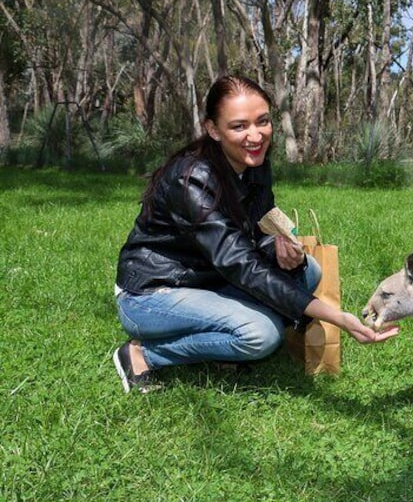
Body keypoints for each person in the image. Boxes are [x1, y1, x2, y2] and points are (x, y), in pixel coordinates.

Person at [113, 74, 398, 393]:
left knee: (308, 272)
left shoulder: (254, 163)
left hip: (210, 278)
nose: (255, 135)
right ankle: (142, 353)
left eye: (262, 121)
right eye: (239, 126)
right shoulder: (190, 180)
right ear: (213, 129)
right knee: (261, 335)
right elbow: (238, 262)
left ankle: (222, 347)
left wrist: (273, 245)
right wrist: (337, 317)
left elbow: (250, 229)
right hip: (153, 293)